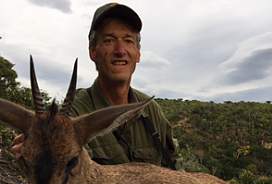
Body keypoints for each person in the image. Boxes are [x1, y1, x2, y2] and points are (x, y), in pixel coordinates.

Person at [12, 3, 183, 170]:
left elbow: (174, 160)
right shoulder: (73, 115)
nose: (120, 50)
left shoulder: (151, 109)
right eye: (109, 40)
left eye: (128, 41)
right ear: (93, 51)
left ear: (138, 54)